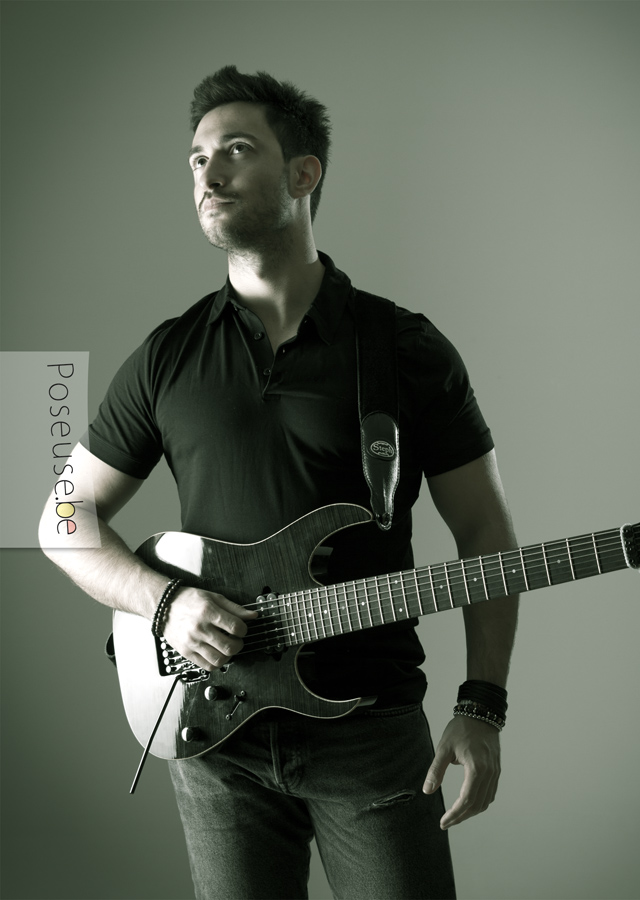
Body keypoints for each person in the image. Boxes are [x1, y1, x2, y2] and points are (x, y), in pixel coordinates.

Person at [39, 67, 520, 900]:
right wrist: (166, 603)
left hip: (369, 735)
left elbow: (484, 534)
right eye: (195, 159)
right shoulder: (168, 356)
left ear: (304, 174)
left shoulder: (403, 348)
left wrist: (480, 708)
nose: (207, 174)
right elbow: (61, 520)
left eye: (234, 149)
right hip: (214, 737)